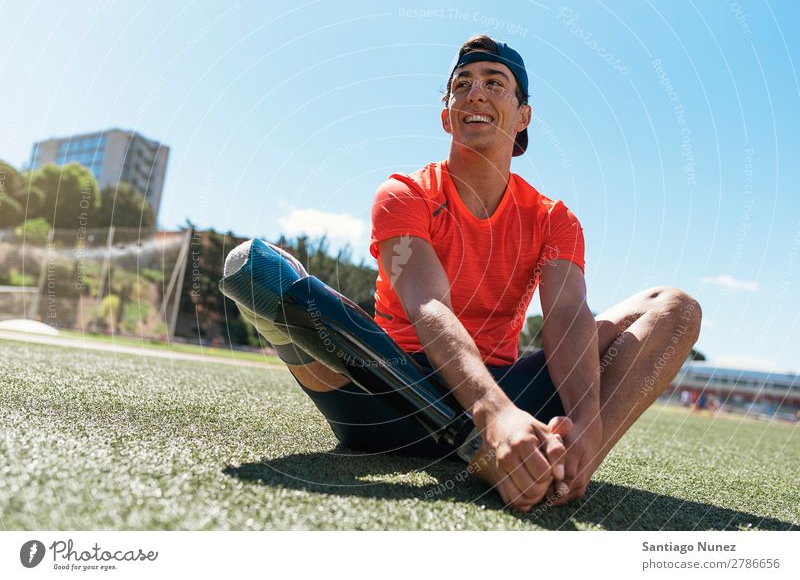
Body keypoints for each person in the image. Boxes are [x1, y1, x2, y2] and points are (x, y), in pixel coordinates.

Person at [229, 35, 702, 512]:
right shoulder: (405, 193)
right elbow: (428, 305)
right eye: (462, 85)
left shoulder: (553, 218)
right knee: (254, 270)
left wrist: (585, 422)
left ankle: (564, 464)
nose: (475, 93)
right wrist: (492, 414)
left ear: (523, 117)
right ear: (447, 115)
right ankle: (485, 445)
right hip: (386, 396)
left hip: (506, 393)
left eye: (495, 83)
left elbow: (564, 316)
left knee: (675, 308)